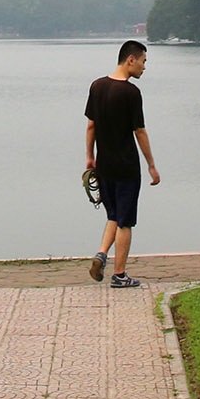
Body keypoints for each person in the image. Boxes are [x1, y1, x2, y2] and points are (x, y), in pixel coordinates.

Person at [84, 39, 160, 287]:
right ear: (131, 60)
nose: (144, 68)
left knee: (113, 215)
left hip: (104, 165)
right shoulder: (131, 93)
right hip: (126, 166)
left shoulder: (97, 86)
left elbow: (91, 126)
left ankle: (101, 254)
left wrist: (89, 157)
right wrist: (151, 164)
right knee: (126, 221)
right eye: (143, 62)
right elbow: (140, 131)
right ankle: (119, 275)